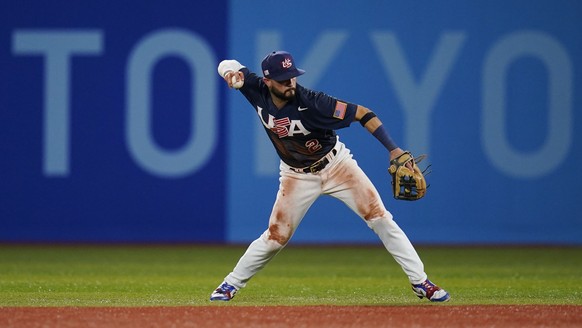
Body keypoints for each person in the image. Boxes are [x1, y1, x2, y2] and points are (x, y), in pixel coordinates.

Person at [210, 50, 450, 302]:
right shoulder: (255, 88)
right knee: (275, 237)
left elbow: (363, 113)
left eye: (292, 76)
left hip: (337, 166)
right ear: (268, 81)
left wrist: (393, 149)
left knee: (380, 218)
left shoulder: (314, 102)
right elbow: (228, 63)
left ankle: (421, 282)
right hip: (296, 175)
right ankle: (230, 284)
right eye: (283, 79)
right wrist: (230, 73)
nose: (290, 82)